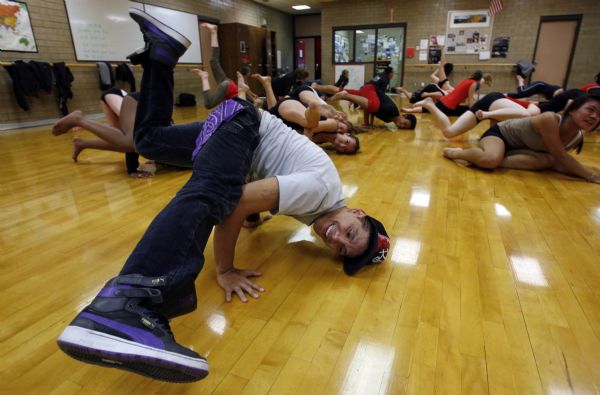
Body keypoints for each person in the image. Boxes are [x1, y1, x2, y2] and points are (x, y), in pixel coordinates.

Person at [57, 8, 390, 383]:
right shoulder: (321, 192)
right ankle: (127, 302)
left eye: (341, 249)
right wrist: (226, 269)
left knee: (146, 140)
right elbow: (238, 203)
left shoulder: (318, 209)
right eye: (349, 233)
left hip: (238, 127)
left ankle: (161, 55)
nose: (335, 239)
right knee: (214, 193)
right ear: (356, 211)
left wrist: (253, 214)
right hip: (244, 127)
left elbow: (261, 187)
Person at [442, 94, 600, 183]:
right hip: (500, 135)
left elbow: (559, 162)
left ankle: (489, 158)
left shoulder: (577, 137)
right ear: (572, 110)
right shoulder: (549, 119)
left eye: (599, 115)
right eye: (590, 110)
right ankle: (456, 153)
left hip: (522, 149)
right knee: (490, 160)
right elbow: (560, 154)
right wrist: (590, 175)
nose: (594, 117)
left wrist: (583, 174)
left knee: (547, 161)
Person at [52, 89, 153, 178]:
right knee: (129, 140)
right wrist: (133, 170)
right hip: (122, 97)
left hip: (123, 97)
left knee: (122, 141)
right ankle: (78, 120)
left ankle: (82, 143)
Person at [253, 73, 359, 154]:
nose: (341, 145)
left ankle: (266, 83)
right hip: (301, 98)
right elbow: (308, 130)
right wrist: (311, 148)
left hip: (287, 110)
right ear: (347, 134)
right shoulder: (334, 125)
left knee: (274, 117)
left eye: (344, 149)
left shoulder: (323, 142)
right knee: (310, 123)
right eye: (346, 142)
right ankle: (314, 107)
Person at [190, 23, 257, 109]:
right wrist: (255, 102)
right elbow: (248, 94)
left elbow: (247, 91)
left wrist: (253, 97)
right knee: (209, 103)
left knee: (214, 61)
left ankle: (213, 33)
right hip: (227, 87)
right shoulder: (247, 105)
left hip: (228, 82)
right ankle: (204, 77)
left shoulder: (245, 101)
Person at [417, 92, 535, 138]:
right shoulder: (538, 109)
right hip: (492, 103)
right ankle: (488, 113)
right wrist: (487, 114)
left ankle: (430, 105)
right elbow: (526, 113)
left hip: (495, 108)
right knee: (526, 115)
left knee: (449, 132)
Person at [329, 82, 417, 129]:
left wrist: (369, 123)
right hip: (370, 89)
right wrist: (367, 122)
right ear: (404, 116)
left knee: (338, 90)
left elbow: (373, 111)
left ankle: (317, 87)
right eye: (404, 123)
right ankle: (345, 95)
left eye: (404, 127)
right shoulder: (391, 111)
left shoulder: (389, 119)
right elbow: (371, 108)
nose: (402, 125)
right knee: (373, 106)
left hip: (368, 91)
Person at [404, 71, 492, 116]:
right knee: (467, 111)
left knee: (432, 109)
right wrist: (475, 111)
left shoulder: (467, 80)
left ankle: (413, 109)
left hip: (443, 101)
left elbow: (464, 98)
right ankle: (425, 105)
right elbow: (469, 103)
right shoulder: (473, 84)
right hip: (448, 106)